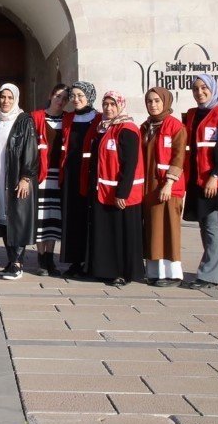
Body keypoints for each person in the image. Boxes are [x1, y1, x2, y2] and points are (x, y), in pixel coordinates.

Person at [183, 74, 218, 290]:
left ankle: (209, 275)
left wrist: (215, 175)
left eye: (204, 87)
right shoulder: (192, 115)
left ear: (213, 88)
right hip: (196, 180)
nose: (200, 92)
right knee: (204, 226)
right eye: (195, 88)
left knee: (213, 226)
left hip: (214, 180)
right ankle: (217, 267)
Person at [0, 83, 38, 280]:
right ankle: (10, 259)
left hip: (16, 177)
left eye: (10, 98)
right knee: (4, 217)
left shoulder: (24, 120)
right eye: (3, 97)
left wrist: (25, 177)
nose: (6, 101)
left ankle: (17, 263)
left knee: (18, 218)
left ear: (16, 99)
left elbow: (31, 150)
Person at [86, 91, 144, 287]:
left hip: (120, 193)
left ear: (120, 106)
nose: (108, 108)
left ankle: (122, 272)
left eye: (112, 104)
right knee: (108, 232)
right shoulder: (103, 128)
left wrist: (122, 193)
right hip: (104, 190)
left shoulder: (127, 129)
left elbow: (130, 164)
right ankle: (105, 270)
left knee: (121, 233)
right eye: (105, 104)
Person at [141, 87, 186, 287]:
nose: (153, 105)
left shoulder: (175, 126)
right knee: (152, 229)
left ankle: (172, 273)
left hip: (168, 187)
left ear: (166, 102)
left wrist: (169, 183)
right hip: (149, 187)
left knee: (168, 228)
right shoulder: (145, 126)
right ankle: (154, 271)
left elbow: (179, 156)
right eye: (150, 101)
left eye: (157, 101)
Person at [60, 81, 99, 278]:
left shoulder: (99, 118)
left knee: (89, 218)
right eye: (73, 96)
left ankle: (89, 261)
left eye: (80, 96)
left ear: (89, 97)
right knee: (72, 218)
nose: (76, 100)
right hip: (70, 174)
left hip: (90, 174)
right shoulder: (68, 118)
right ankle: (75, 261)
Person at [30, 84, 67, 276]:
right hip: (42, 174)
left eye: (64, 98)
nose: (60, 101)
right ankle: (41, 258)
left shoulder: (68, 119)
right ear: (51, 96)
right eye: (58, 96)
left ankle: (50, 258)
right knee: (41, 216)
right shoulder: (36, 117)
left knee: (54, 216)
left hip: (58, 174)